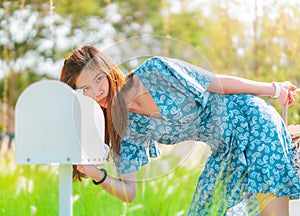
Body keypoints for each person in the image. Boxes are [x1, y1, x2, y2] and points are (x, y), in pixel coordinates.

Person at [60, 45, 299, 215]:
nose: (97, 92)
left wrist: (275, 89)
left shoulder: (155, 71)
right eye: (86, 89)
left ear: (110, 70)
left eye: (99, 79)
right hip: (225, 148)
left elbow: (217, 83)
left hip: (252, 120)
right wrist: (95, 173)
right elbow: (129, 192)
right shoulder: (125, 128)